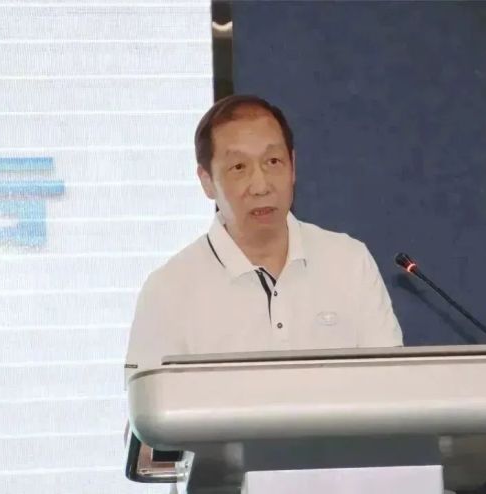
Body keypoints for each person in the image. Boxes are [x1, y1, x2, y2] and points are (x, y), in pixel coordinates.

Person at [124, 94, 402, 380]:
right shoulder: (168, 291)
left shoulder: (349, 262)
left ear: (293, 165)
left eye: (273, 161)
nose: (261, 186)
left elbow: (391, 385)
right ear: (207, 181)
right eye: (239, 167)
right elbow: (150, 405)